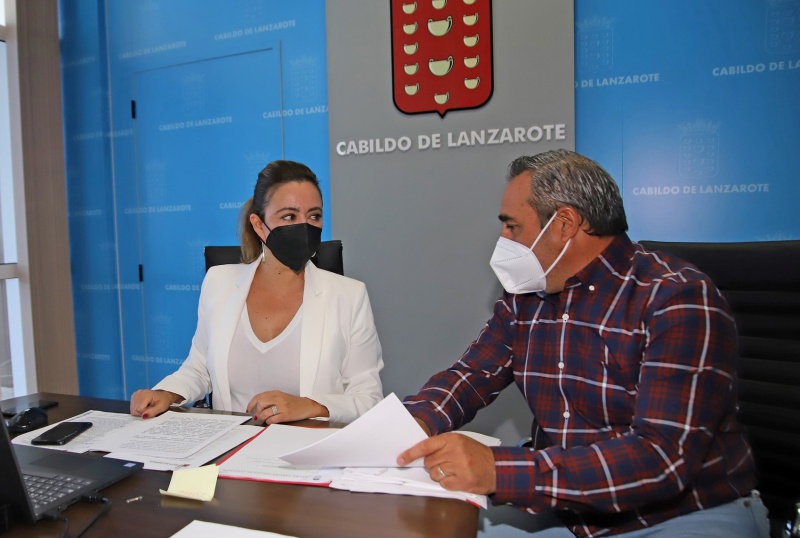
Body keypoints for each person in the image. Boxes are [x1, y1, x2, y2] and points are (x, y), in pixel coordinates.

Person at [397, 149, 768, 537]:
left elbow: (661, 457)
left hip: (677, 515)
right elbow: (472, 375)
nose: (503, 239)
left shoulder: (676, 298)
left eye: (513, 227)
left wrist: (497, 471)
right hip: (567, 511)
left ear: (564, 224)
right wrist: (411, 424)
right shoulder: (527, 296)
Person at [130, 160, 384, 424]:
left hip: (308, 446)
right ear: (259, 225)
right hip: (230, 443)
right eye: (289, 216)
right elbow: (200, 368)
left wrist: (311, 406)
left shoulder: (349, 296)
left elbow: (368, 399)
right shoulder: (219, 283)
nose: (304, 226)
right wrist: (166, 393)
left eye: (314, 216)